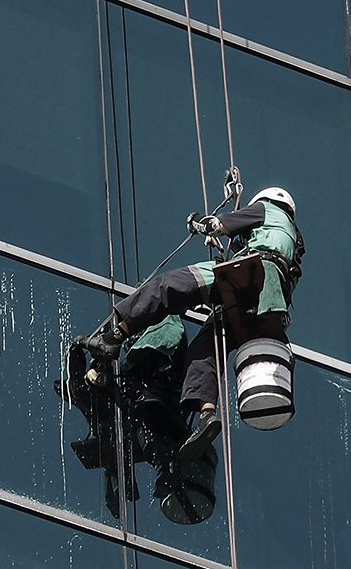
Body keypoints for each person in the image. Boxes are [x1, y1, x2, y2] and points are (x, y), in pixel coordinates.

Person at [79, 187, 303, 461]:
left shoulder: (266, 209)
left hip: (250, 274)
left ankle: (113, 336)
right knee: (202, 352)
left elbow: (220, 224)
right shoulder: (292, 238)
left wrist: (202, 223)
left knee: (166, 287)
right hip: (261, 302)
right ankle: (207, 416)